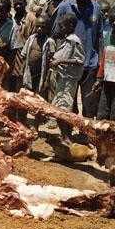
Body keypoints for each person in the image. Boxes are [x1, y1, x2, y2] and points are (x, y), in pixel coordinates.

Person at [55, 0, 104, 118]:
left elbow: (100, 38)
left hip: (90, 63)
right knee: (68, 102)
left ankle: (86, 133)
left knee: (89, 103)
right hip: (69, 64)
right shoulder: (65, 7)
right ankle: (68, 133)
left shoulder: (96, 9)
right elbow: (57, 34)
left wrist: (101, 63)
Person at [50, 13, 85, 142]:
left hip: (68, 81)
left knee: (63, 110)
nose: (61, 29)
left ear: (70, 26)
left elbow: (80, 60)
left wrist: (60, 61)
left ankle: (67, 137)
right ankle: (64, 136)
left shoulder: (74, 41)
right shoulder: (66, 40)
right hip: (61, 79)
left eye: (62, 26)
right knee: (58, 109)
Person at [21, 14, 54, 97]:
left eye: (42, 27)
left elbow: (51, 62)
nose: (39, 29)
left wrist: (47, 79)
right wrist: (22, 69)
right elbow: (24, 55)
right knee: (28, 94)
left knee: (39, 95)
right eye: (38, 26)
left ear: (47, 28)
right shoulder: (31, 38)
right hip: (30, 72)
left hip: (41, 74)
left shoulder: (49, 42)